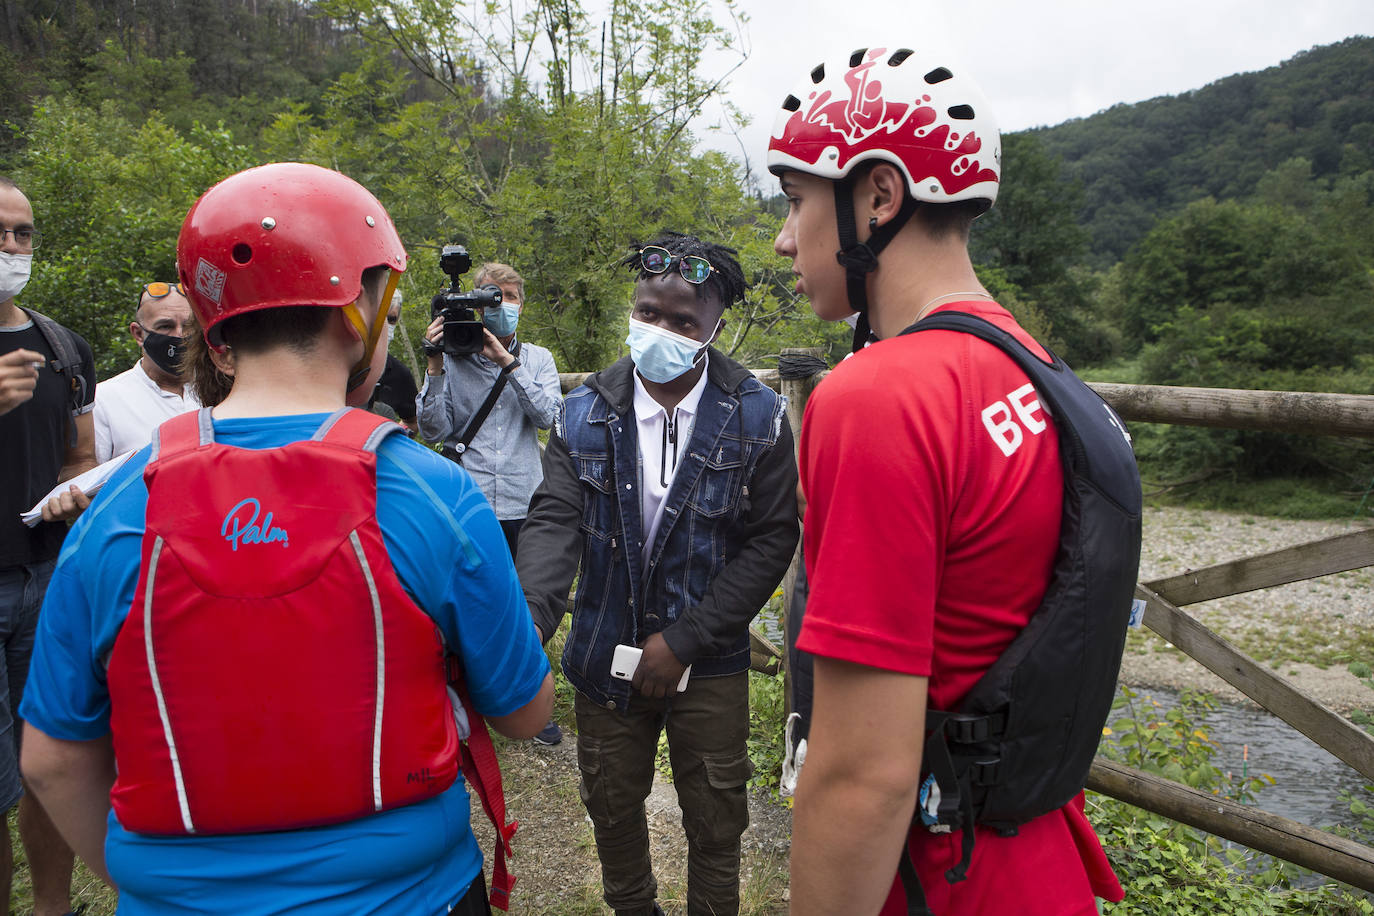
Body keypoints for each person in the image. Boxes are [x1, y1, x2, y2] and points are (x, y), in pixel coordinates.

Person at [18, 162, 554, 915]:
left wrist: (158, 883)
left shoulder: (118, 512)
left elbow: (50, 761)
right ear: (354, 312)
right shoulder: (433, 497)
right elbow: (524, 712)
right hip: (412, 895)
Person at [768, 47, 1126, 915]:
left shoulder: (878, 396)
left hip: (936, 876)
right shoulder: (1038, 371)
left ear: (880, 196)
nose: (783, 237)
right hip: (1039, 855)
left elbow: (862, 773)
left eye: (795, 199)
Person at [518, 232, 800, 916]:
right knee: (611, 807)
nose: (661, 331)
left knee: (715, 817)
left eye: (682, 322)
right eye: (649, 313)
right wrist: (528, 621)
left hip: (711, 662)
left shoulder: (758, 417)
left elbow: (771, 539)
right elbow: (554, 521)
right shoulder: (581, 413)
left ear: (715, 328)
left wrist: (686, 640)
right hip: (602, 654)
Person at [418, 261, 564, 745]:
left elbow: (548, 416)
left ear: (520, 302)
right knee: (473, 605)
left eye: (505, 298)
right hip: (471, 504)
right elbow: (434, 430)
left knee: (529, 605)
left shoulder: (537, 358)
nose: (498, 307)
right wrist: (436, 363)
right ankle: (467, 701)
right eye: (487, 298)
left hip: (526, 499)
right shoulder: (452, 362)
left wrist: (506, 360)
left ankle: (530, 705)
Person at [0, 175, 91, 916]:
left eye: (23, 233)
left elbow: (78, 455)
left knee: (48, 760)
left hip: (47, 578)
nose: (11, 247)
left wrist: (78, 488)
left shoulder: (63, 347)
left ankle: (52, 907)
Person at [92, 281, 201, 462]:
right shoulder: (104, 401)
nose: (179, 335)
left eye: (189, 326)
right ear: (138, 334)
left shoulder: (222, 390)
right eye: (165, 326)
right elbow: (93, 482)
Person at [367, 290, 420, 430]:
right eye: (380, 317)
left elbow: (412, 422)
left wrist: (392, 439)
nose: (385, 326)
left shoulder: (400, 374)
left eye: (391, 319)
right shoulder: (337, 363)